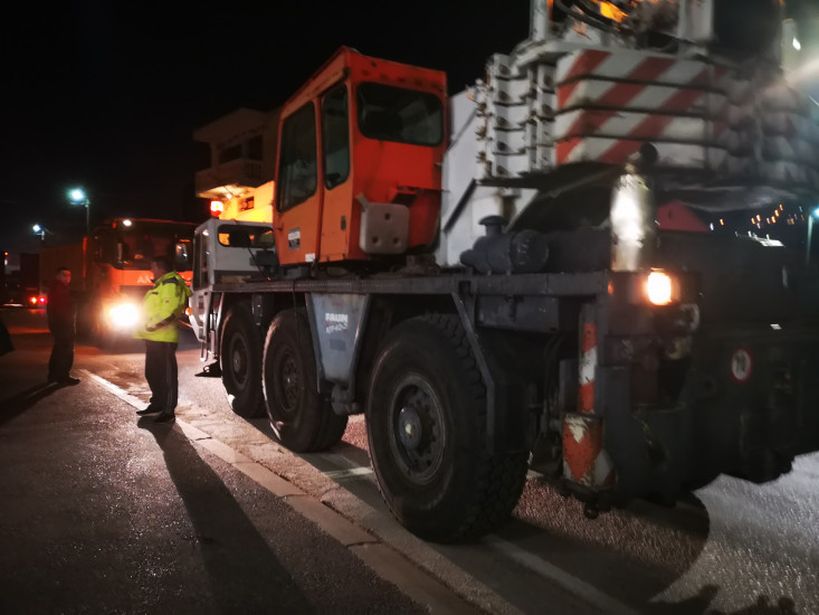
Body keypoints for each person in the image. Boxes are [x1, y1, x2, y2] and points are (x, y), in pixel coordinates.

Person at [134, 255, 191, 423]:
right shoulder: (161, 284)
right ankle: (157, 403)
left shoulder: (170, 284)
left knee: (166, 375)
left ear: (160, 268)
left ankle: (168, 410)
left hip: (163, 337)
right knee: (152, 373)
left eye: (153, 267)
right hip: (154, 337)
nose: (151, 270)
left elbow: (170, 309)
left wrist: (154, 325)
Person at [47, 267, 80, 385]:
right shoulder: (59, 289)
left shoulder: (59, 288)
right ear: (58, 276)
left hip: (60, 324)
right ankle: (63, 376)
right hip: (63, 325)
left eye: (69, 275)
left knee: (58, 349)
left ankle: (53, 374)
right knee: (65, 351)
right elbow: (63, 307)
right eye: (64, 275)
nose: (67, 278)